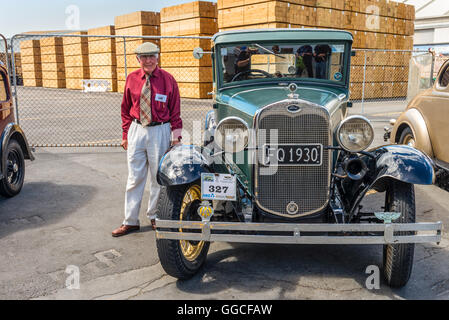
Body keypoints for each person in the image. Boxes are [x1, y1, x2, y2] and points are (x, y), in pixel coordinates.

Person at [112, 42, 182, 237]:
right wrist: (126, 134)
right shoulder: (132, 79)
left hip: (160, 130)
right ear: (138, 59)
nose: (148, 60)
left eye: (152, 56)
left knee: (158, 177)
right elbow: (125, 109)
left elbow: (175, 111)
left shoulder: (168, 80)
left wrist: (176, 137)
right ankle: (130, 221)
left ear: (158, 57)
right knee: (134, 177)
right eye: (144, 57)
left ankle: (155, 216)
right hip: (137, 130)